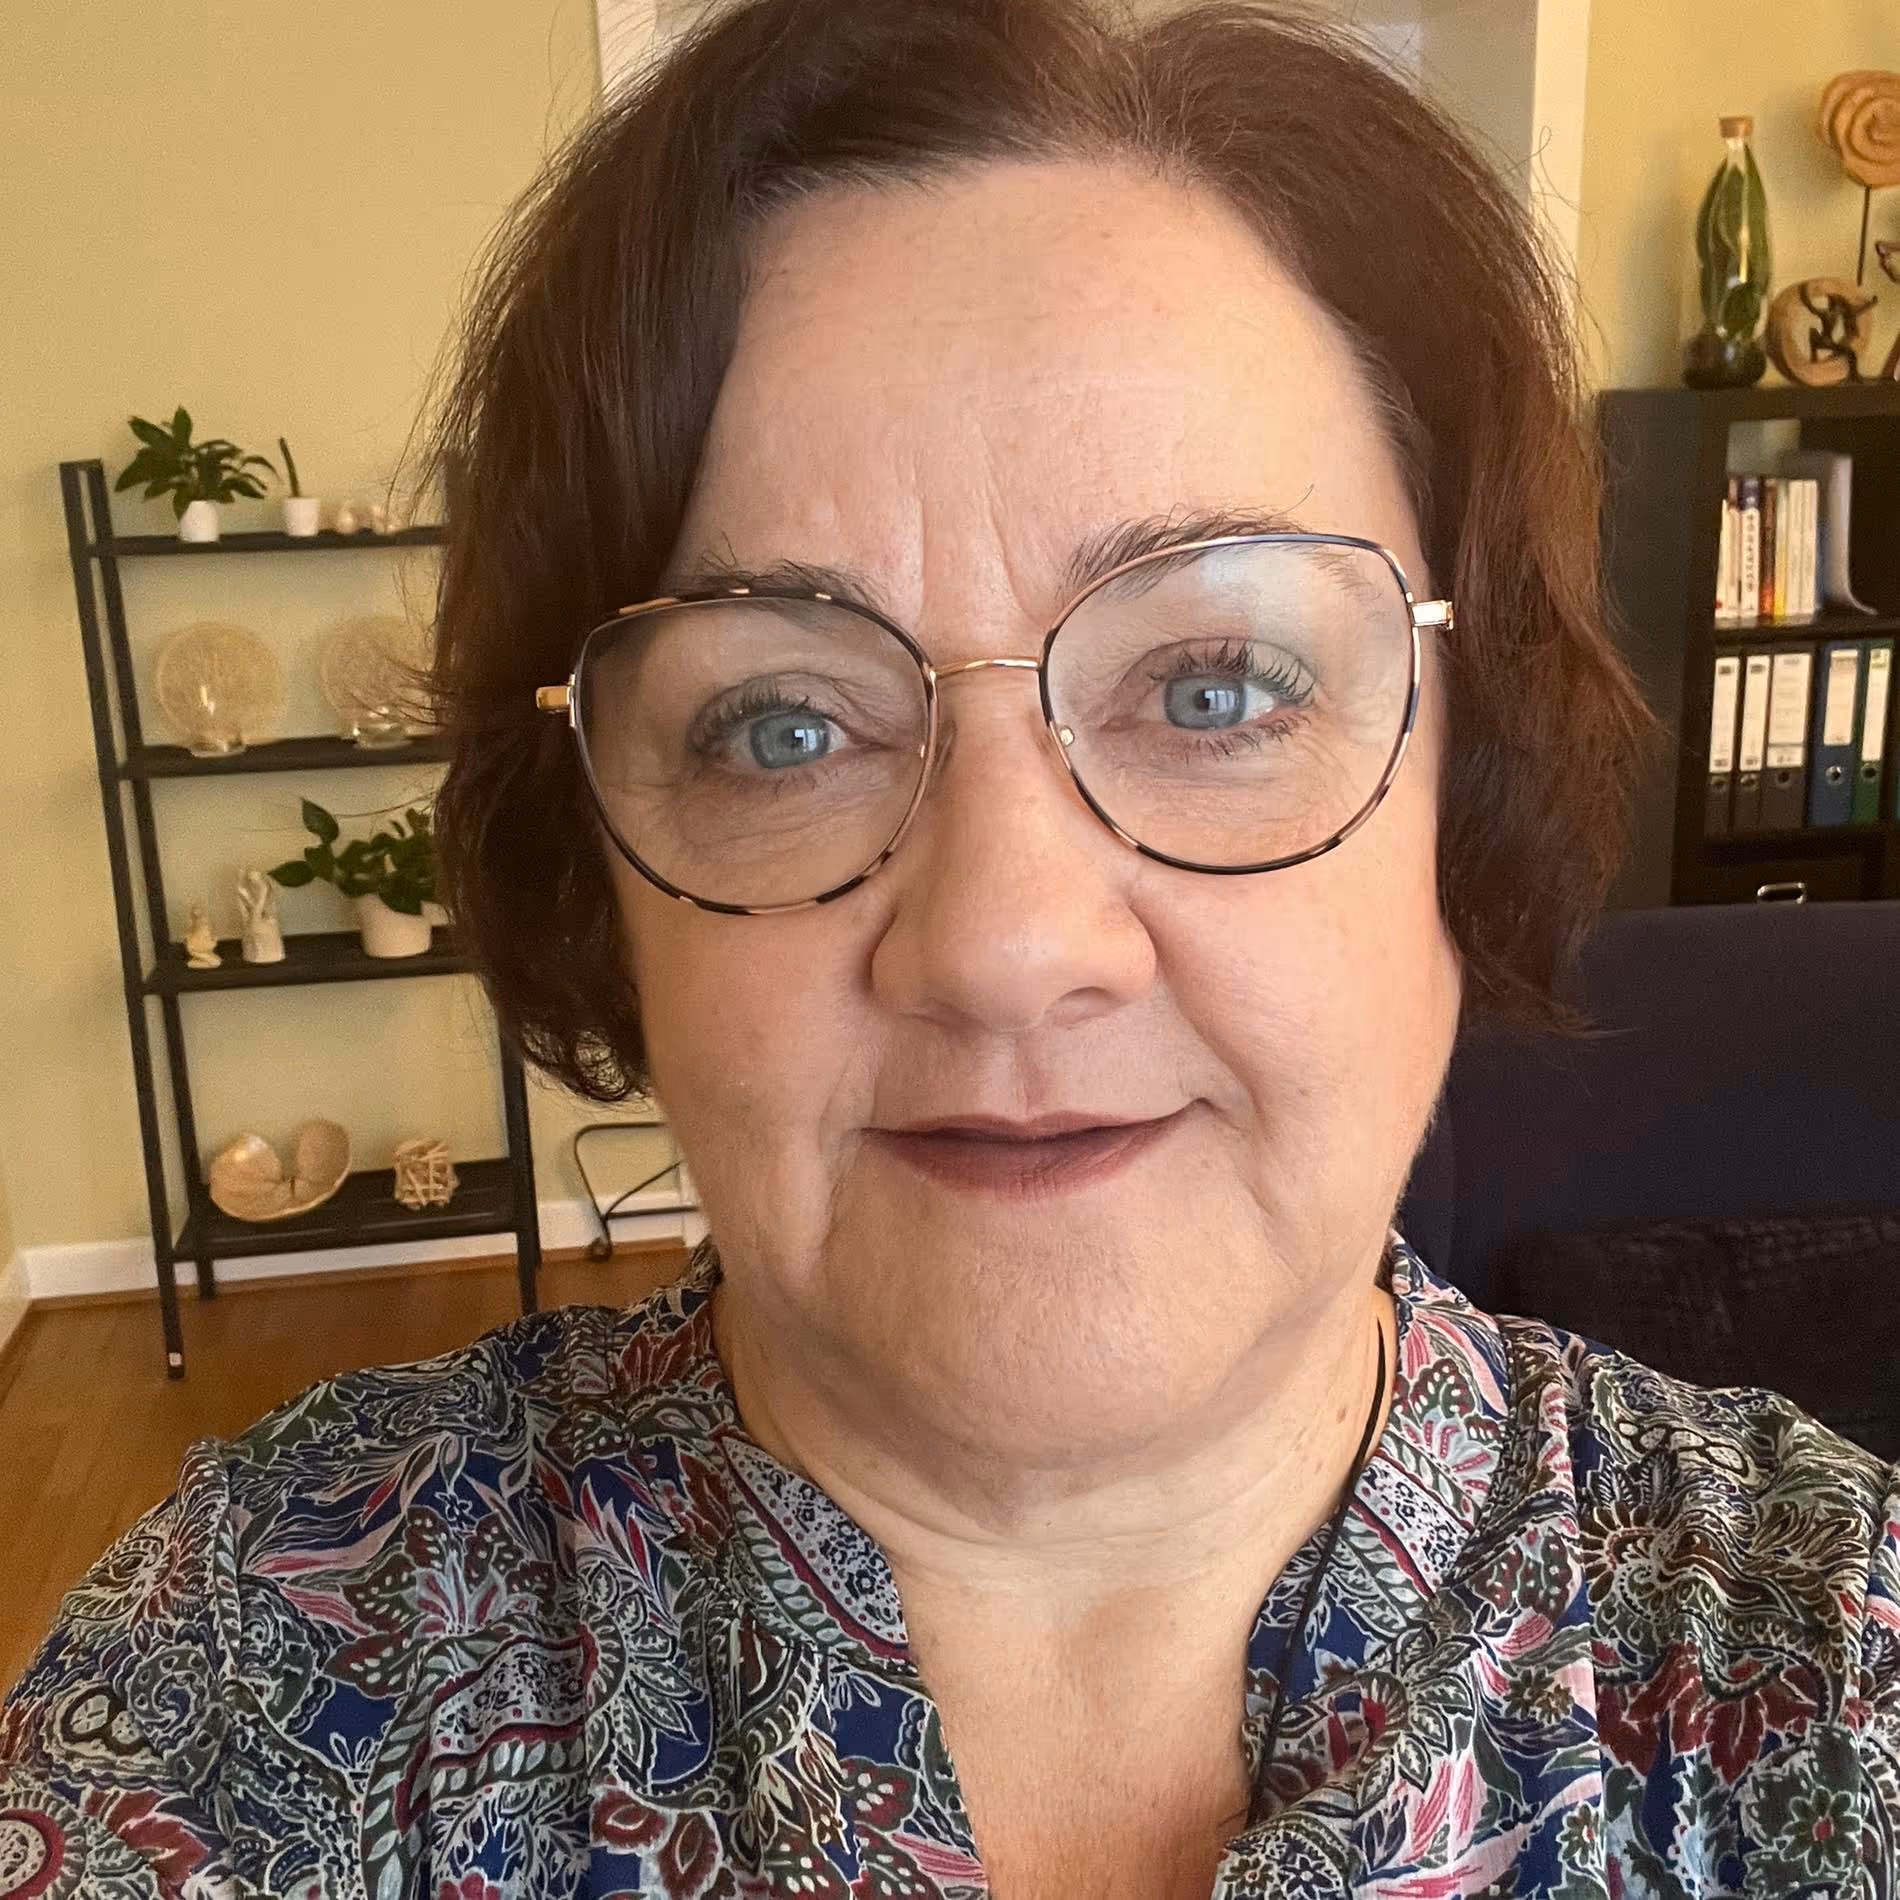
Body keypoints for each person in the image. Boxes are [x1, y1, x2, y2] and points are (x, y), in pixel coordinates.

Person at [5, 1, 1897, 1895]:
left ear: (1460, 785)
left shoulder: (1836, 1673)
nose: (1003, 944)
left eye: (1217, 682)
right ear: (598, 861)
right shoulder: (252, 1676)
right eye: (784, 725)